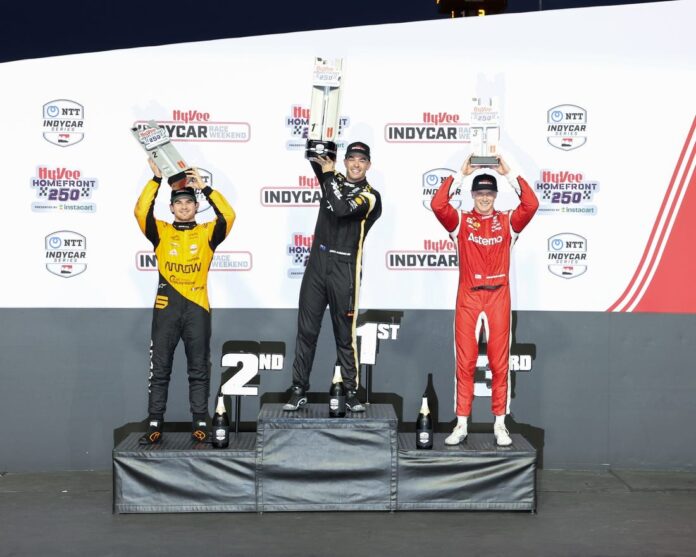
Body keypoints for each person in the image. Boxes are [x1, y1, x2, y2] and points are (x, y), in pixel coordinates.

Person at [430, 153, 538, 446]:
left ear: (496, 195)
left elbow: (531, 204)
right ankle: (461, 423)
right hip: (468, 297)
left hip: (498, 297)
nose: (485, 198)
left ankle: (500, 424)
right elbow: (438, 205)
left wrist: (509, 173)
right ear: (473, 195)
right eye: (480, 193)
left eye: (490, 193)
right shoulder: (460, 221)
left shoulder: (508, 222)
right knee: (465, 363)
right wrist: (460, 174)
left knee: (499, 363)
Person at [135, 159, 235, 444]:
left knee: (199, 370)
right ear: (171, 208)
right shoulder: (160, 231)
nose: (183, 207)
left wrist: (206, 188)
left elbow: (228, 215)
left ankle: (200, 422)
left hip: (197, 309)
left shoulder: (207, 233)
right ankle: (154, 423)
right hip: (166, 308)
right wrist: (155, 180)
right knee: (160, 371)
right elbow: (141, 211)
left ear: (196, 206)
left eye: (188, 202)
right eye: (178, 203)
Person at [284, 141, 382, 412]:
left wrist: (328, 175)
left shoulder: (371, 197)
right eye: (352, 158)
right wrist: (319, 137)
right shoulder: (332, 179)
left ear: (368, 165)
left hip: (344, 267)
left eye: (362, 160)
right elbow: (315, 158)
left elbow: (341, 209)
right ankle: (298, 389)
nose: (356, 164)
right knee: (306, 330)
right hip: (317, 263)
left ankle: (350, 391)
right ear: (345, 160)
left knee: (344, 333)